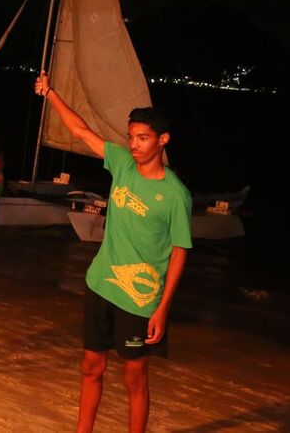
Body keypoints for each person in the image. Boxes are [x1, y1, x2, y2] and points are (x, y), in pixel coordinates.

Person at [34, 72, 191, 433]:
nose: (134, 145)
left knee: (134, 376)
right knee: (91, 367)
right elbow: (80, 130)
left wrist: (163, 308)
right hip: (101, 283)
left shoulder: (175, 194)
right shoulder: (121, 163)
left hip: (140, 298)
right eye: (131, 137)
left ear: (162, 140)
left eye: (143, 138)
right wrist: (51, 94)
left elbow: (181, 250)